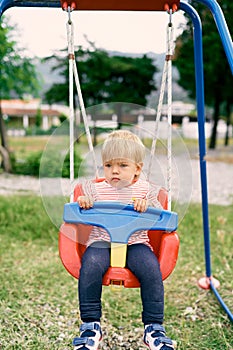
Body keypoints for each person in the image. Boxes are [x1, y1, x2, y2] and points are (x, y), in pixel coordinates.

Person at [73, 130, 174, 350]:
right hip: (101, 242)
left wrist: (148, 207)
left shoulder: (146, 191)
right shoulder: (95, 189)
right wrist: (84, 201)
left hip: (136, 243)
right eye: (108, 165)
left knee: (151, 270)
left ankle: (154, 328)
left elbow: (161, 213)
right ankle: (90, 325)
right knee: (89, 266)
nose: (114, 171)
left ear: (138, 169)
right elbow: (79, 204)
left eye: (122, 165)